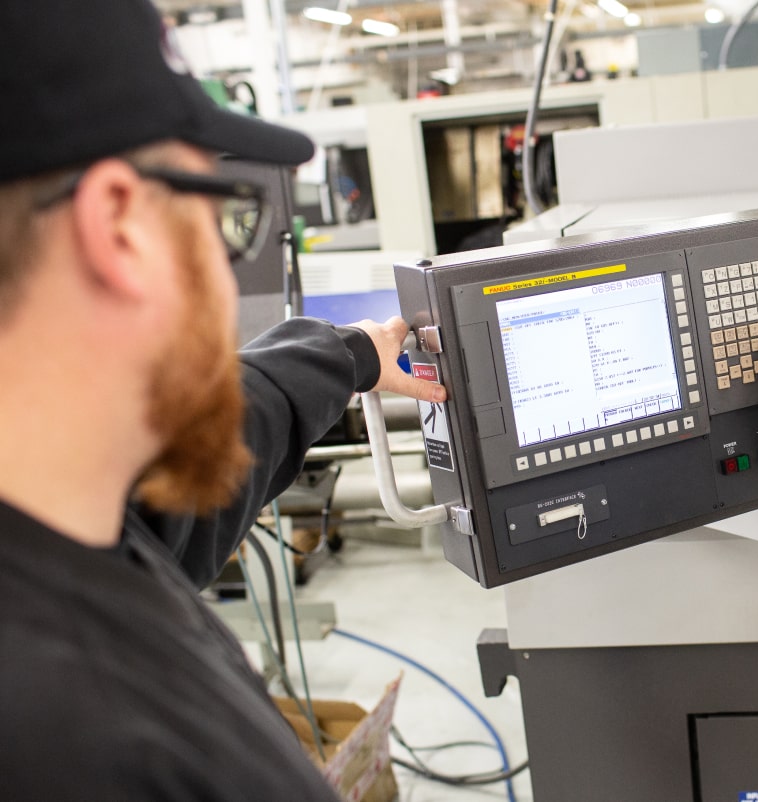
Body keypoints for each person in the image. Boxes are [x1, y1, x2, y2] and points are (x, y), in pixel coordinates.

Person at [0, 0, 445, 797]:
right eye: (223, 215)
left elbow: (231, 432)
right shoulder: (92, 744)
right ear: (120, 224)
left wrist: (350, 358)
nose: (222, 260)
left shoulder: (76, 518)